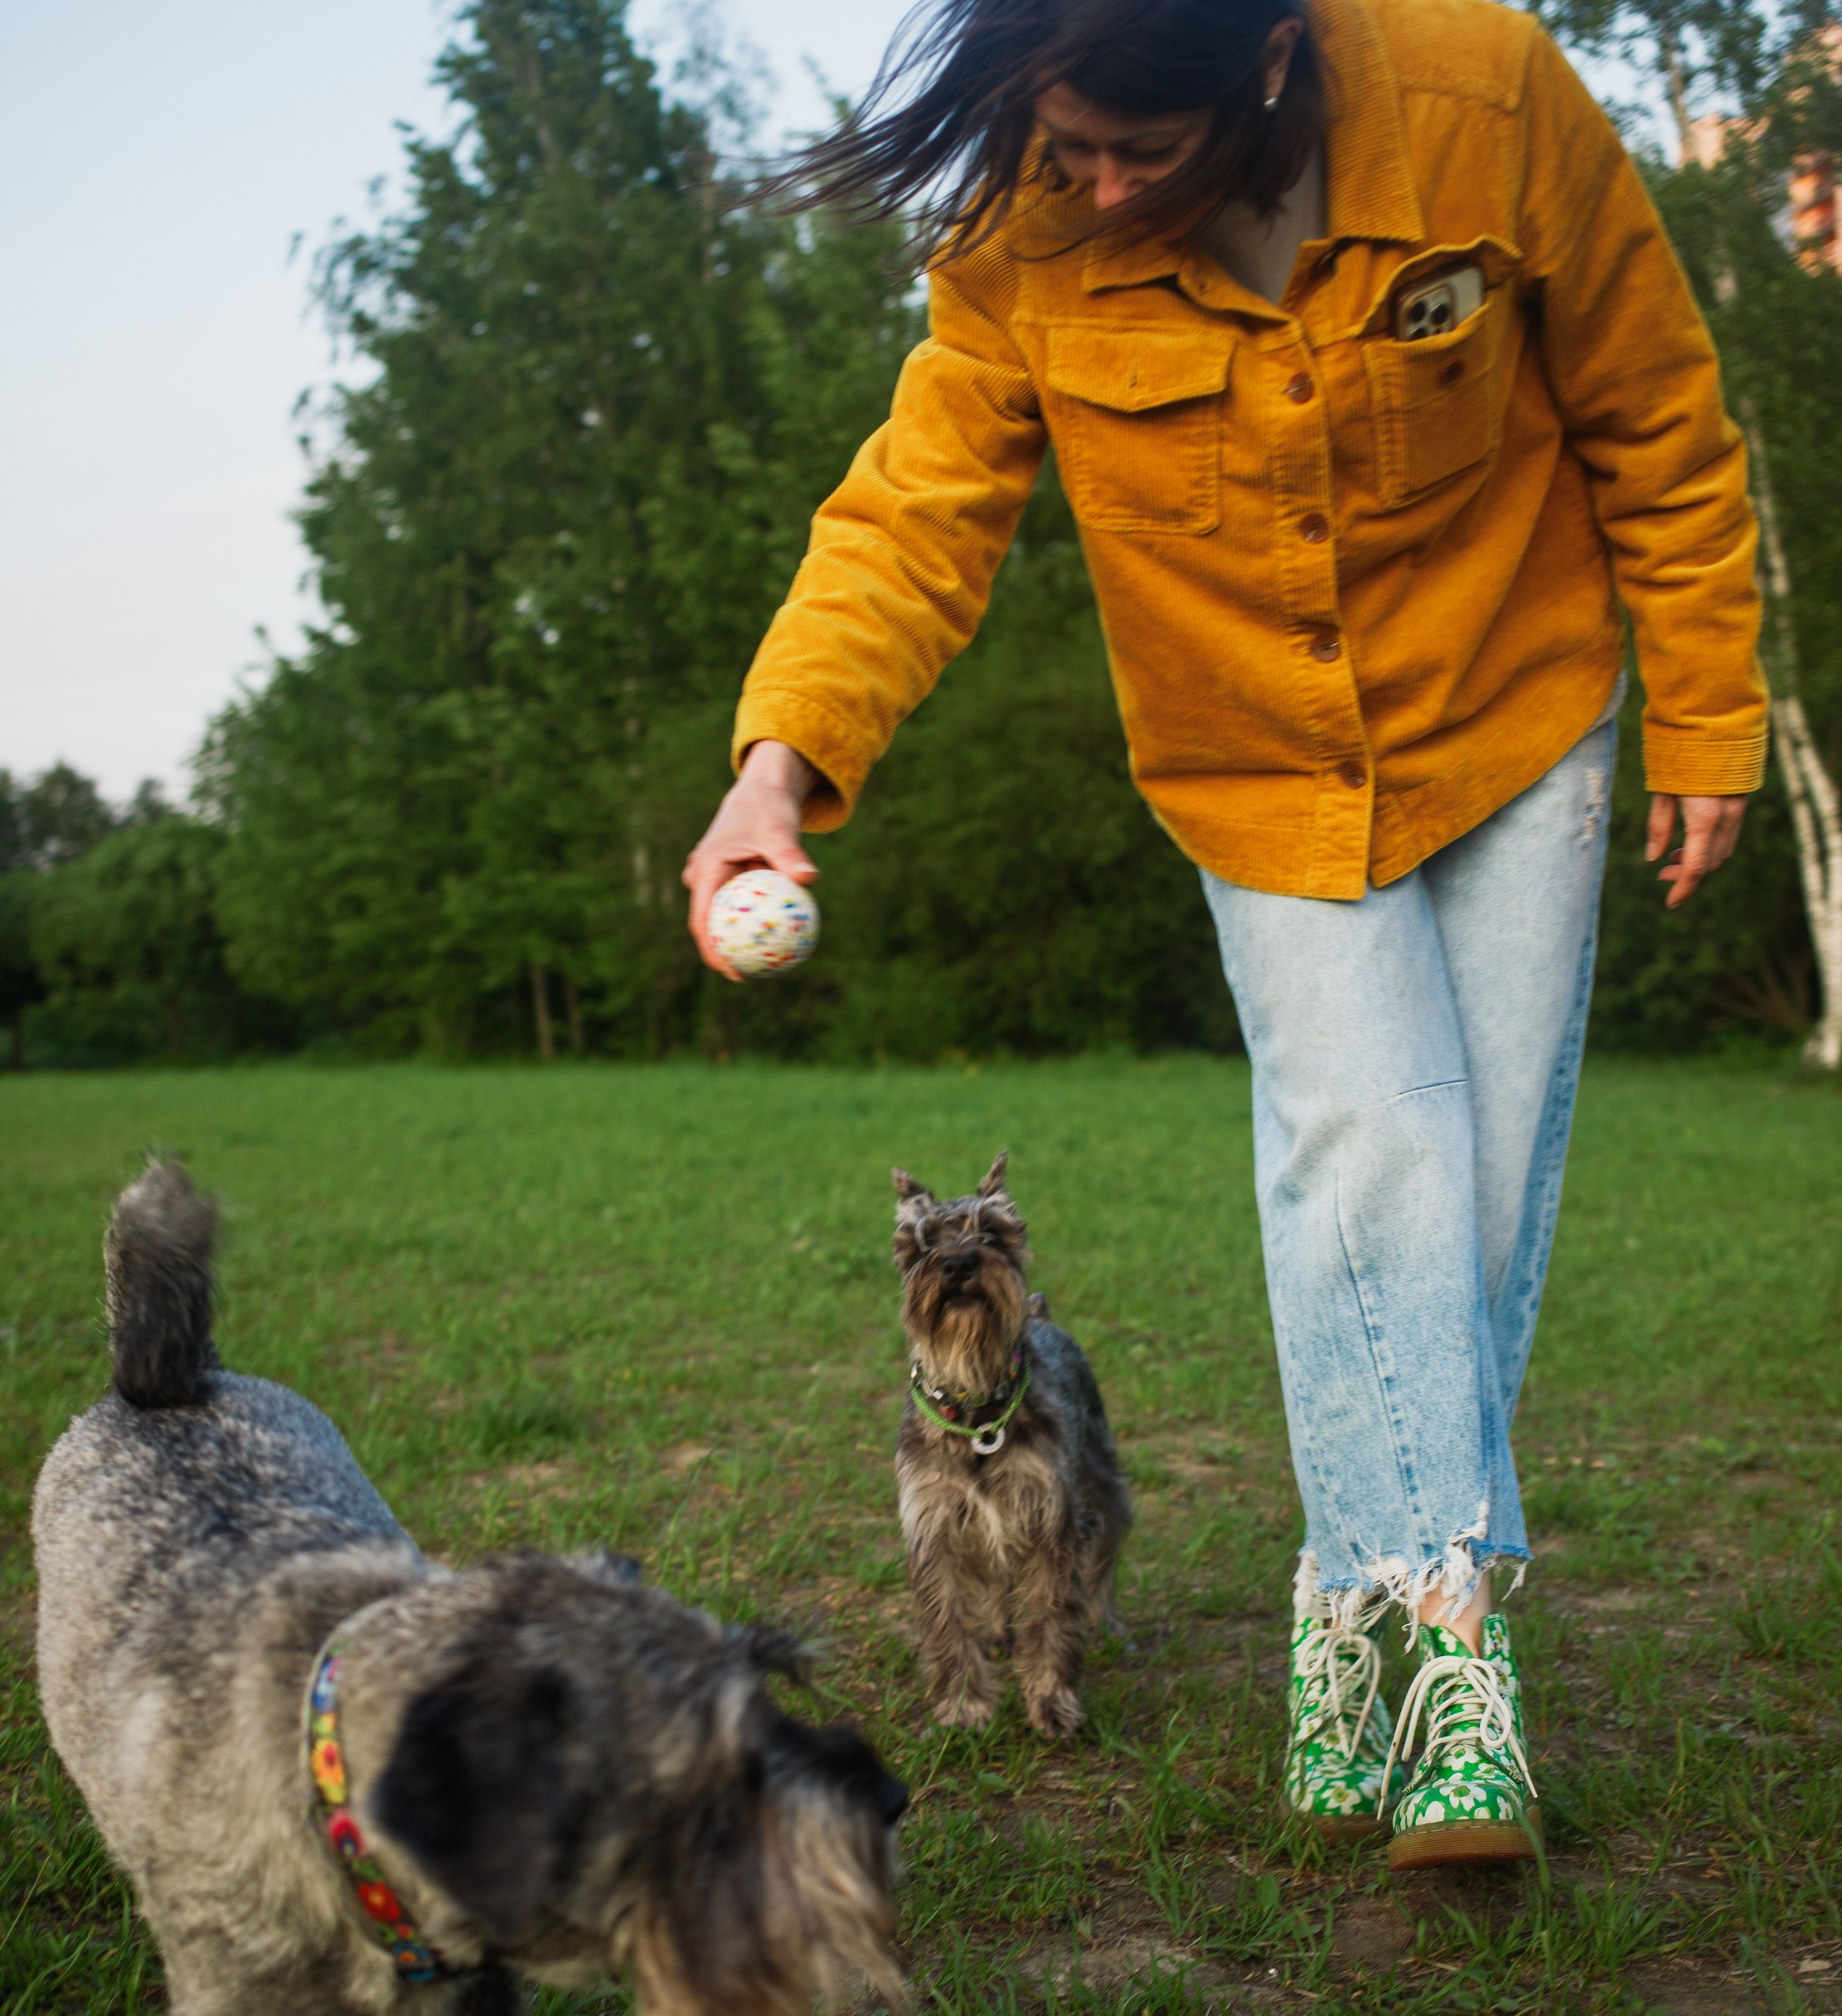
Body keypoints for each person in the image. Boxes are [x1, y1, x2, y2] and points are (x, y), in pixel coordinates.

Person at [680, 0, 1765, 1868]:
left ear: (1266, 60)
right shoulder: (1021, 223)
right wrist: (780, 766)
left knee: (1481, 1202)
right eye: (1062, 142)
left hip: (1518, 699)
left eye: (1137, 151)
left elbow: (1656, 406)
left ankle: (1341, 1600)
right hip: (1256, 761)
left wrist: (1717, 706)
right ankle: (1451, 1670)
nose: (1091, 185)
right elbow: (914, 517)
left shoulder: (1484, 91)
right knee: (1377, 1156)